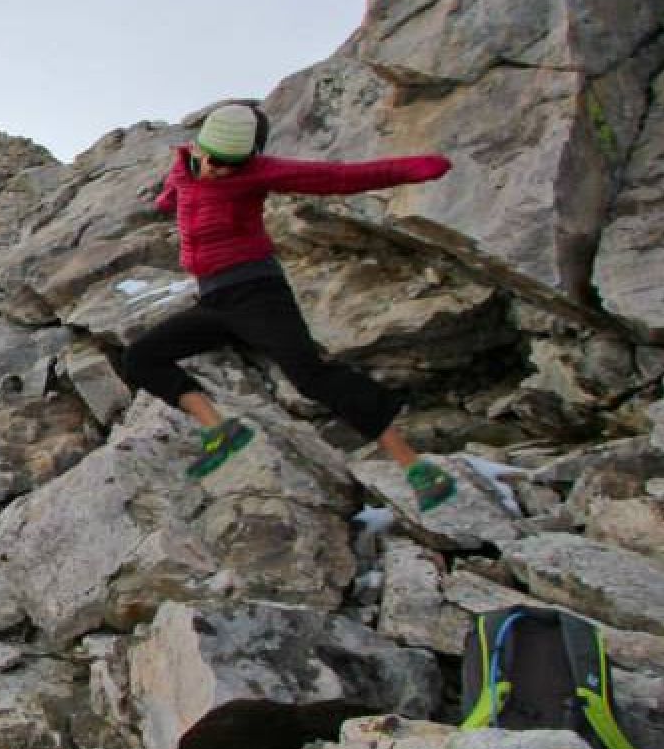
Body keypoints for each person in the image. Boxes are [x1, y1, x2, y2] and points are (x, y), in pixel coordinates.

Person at [121, 102, 458, 510]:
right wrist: (164, 203)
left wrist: (412, 168)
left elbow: (337, 178)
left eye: (234, 165)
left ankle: (416, 467)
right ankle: (220, 431)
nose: (222, 171)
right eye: (217, 162)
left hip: (258, 293)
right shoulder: (182, 168)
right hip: (213, 300)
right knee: (140, 358)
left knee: (311, 377)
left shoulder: (258, 173)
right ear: (197, 148)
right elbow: (178, 191)